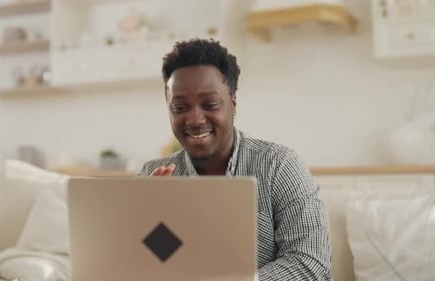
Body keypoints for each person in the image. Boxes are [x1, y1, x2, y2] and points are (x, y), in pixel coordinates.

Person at [139, 38, 332, 280]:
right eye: (180, 108)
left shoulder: (279, 166)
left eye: (209, 104)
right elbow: (147, 267)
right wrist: (152, 218)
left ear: (233, 105)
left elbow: (311, 263)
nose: (195, 120)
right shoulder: (153, 175)